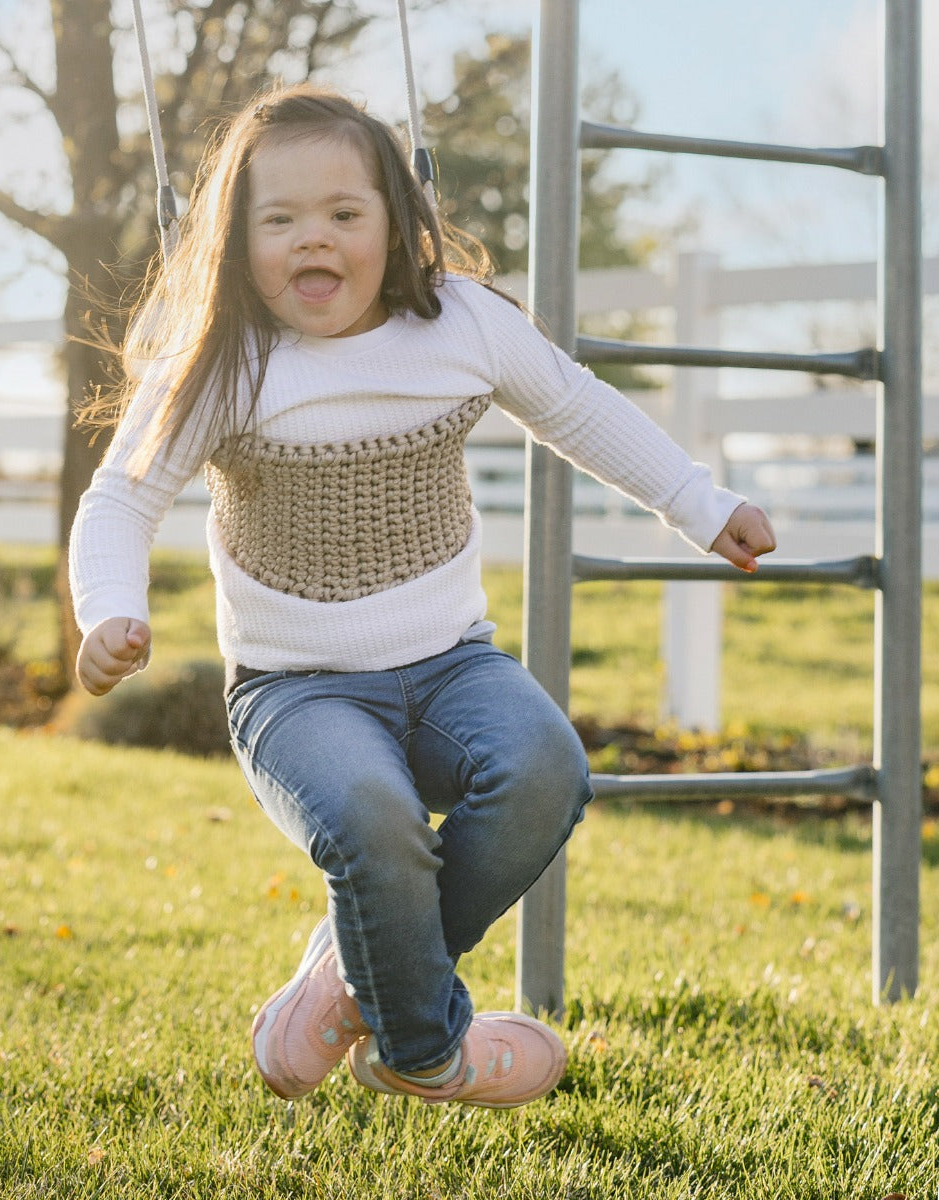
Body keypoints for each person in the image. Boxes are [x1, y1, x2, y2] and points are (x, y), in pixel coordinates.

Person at [69, 83, 776, 1109]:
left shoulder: (461, 324)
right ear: (233, 239)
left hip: (452, 664)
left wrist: (700, 503)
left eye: (344, 215)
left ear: (399, 225)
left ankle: (344, 980)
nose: (315, 239)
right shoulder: (223, 361)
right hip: (294, 689)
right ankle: (424, 1048)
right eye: (280, 219)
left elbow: (576, 407)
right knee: (370, 812)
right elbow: (121, 498)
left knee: (544, 768)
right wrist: (107, 610)